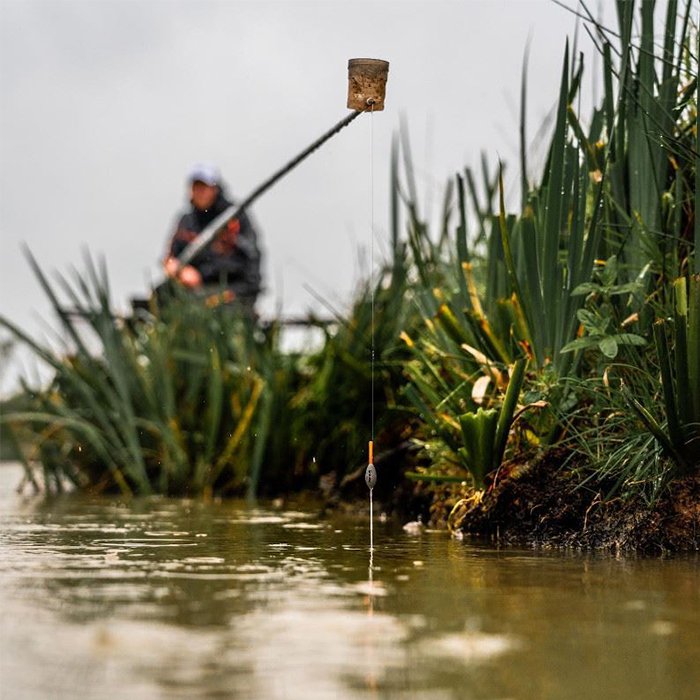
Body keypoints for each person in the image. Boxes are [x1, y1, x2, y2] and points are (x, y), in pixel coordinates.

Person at [164, 163, 262, 308]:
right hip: (195, 291)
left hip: (231, 290)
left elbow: (250, 258)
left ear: (215, 189)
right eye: (196, 187)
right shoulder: (187, 221)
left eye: (204, 187)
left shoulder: (234, 217)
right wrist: (181, 271)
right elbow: (170, 259)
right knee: (161, 295)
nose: (200, 192)